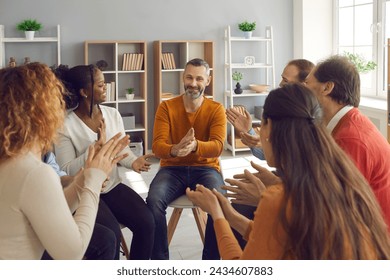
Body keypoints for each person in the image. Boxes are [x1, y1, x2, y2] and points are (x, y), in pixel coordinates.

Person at [187, 84, 390, 259]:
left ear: (269, 127)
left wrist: (216, 213)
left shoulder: (279, 198)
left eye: (260, 126)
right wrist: (228, 214)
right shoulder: (342, 173)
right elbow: (279, 239)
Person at [0, 62, 129, 259]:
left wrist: (84, 179)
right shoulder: (33, 172)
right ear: (41, 112)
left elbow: (48, 207)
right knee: (105, 240)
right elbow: (72, 253)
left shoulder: (12, 159)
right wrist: (93, 182)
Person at [53, 64, 155, 260]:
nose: (105, 87)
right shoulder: (65, 125)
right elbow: (66, 170)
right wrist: (96, 148)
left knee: (147, 222)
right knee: (112, 235)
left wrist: (133, 162)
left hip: (112, 186)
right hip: (85, 191)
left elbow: (121, 148)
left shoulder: (112, 114)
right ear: (84, 92)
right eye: (100, 85)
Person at [146, 58, 226, 260]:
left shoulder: (216, 109)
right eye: (189, 77)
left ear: (207, 81)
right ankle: (159, 264)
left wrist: (195, 146)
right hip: (172, 169)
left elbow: (217, 147)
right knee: (153, 201)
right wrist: (174, 150)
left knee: (220, 202)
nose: (193, 83)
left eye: (199, 78)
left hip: (206, 169)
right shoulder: (166, 107)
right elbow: (157, 147)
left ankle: (211, 264)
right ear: (183, 78)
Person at [304, 55, 390, 230]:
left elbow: (337, 208)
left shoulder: (351, 138)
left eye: (307, 84)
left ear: (327, 87)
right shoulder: (343, 123)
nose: (302, 89)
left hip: (373, 238)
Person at [226, 59, 314, 160]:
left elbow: (301, 163)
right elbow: (267, 156)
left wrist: (265, 145)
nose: (280, 84)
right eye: (282, 78)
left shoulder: (314, 119)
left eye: (285, 80)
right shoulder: (285, 112)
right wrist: (249, 131)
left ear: (303, 86)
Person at [41, 152, 116, 260]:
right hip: (28, 245)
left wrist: (81, 181)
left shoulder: (44, 155)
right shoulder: (32, 170)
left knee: (108, 236)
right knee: (105, 240)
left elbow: (58, 176)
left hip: (50, 209)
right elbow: (75, 251)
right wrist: (92, 184)